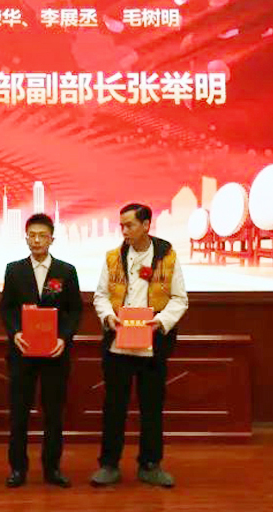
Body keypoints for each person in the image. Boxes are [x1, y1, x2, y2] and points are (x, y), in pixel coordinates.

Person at [90, 203, 188, 488]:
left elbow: (179, 298)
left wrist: (161, 321)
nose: (124, 231)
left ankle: (150, 465)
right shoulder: (113, 257)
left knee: (152, 407)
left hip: (152, 343)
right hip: (117, 345)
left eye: (130, 225)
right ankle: (109, 465)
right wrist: (108, 316)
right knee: (114, 407)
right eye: (121, 225)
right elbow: (100, 295)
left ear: (146, 225)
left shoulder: (167, 256)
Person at [0, 212, 82, 488]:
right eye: (32, 235)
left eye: (42, 236)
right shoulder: (14, 270)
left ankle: (52, 468)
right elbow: (7, 307)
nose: (37, 240)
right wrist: (16, 332)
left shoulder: (66, 271)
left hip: (54, 354)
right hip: (22, 353)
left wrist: (63, 338)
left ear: (51, 239)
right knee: (19, 413)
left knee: (54, 413)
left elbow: (74, 310)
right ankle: (17, 469)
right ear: (26, 238)